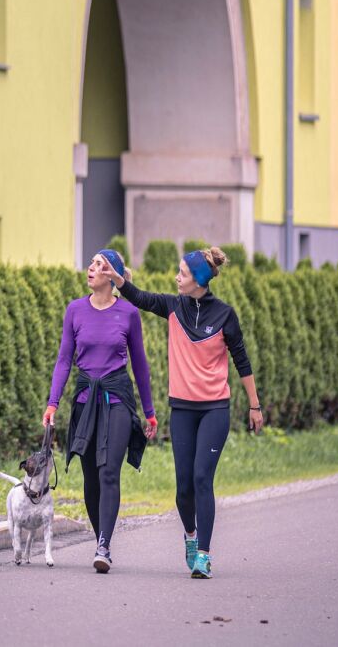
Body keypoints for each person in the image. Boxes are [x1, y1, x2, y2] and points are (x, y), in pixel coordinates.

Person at [97, 246, 264, 580]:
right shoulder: (173, 306)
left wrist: (254, 404)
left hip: (215, 408)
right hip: (183, 410)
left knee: (203, 478)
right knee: (183, 489)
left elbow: (241, 360)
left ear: (198, 280)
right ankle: (190, 535)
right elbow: (139, 297)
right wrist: (118, 279)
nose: (176, 277)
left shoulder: (225, 315)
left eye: (182, 274)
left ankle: (204, 554)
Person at [43, 249, 157, 574]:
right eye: (91, 263)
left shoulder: (129, 313)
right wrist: (52, 403)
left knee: (109, 471)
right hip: (85, 400)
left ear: (112, 276)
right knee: (91, 477)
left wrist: (149, 412)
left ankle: (104, 545)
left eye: (99, 265)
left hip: (117, 397)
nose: (90, 268)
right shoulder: (75, 310)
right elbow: (64, 360)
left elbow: (140, 364)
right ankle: (100, 539)